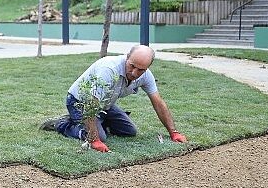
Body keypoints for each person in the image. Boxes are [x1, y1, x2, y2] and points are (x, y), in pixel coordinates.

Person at [42, 45, 187, 152]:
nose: (135, 73)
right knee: (101, 138)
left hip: (105, 103)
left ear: (148, 67)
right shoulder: (109, 70)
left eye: (141, 70)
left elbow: (158, 102)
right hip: (80, 101)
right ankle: (62, 124)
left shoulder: (146, 75)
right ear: (127, 57)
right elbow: (91, 104)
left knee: (129, 131)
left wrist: (173, 132)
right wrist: (95, 140)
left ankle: (97, 122)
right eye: (132, 66)